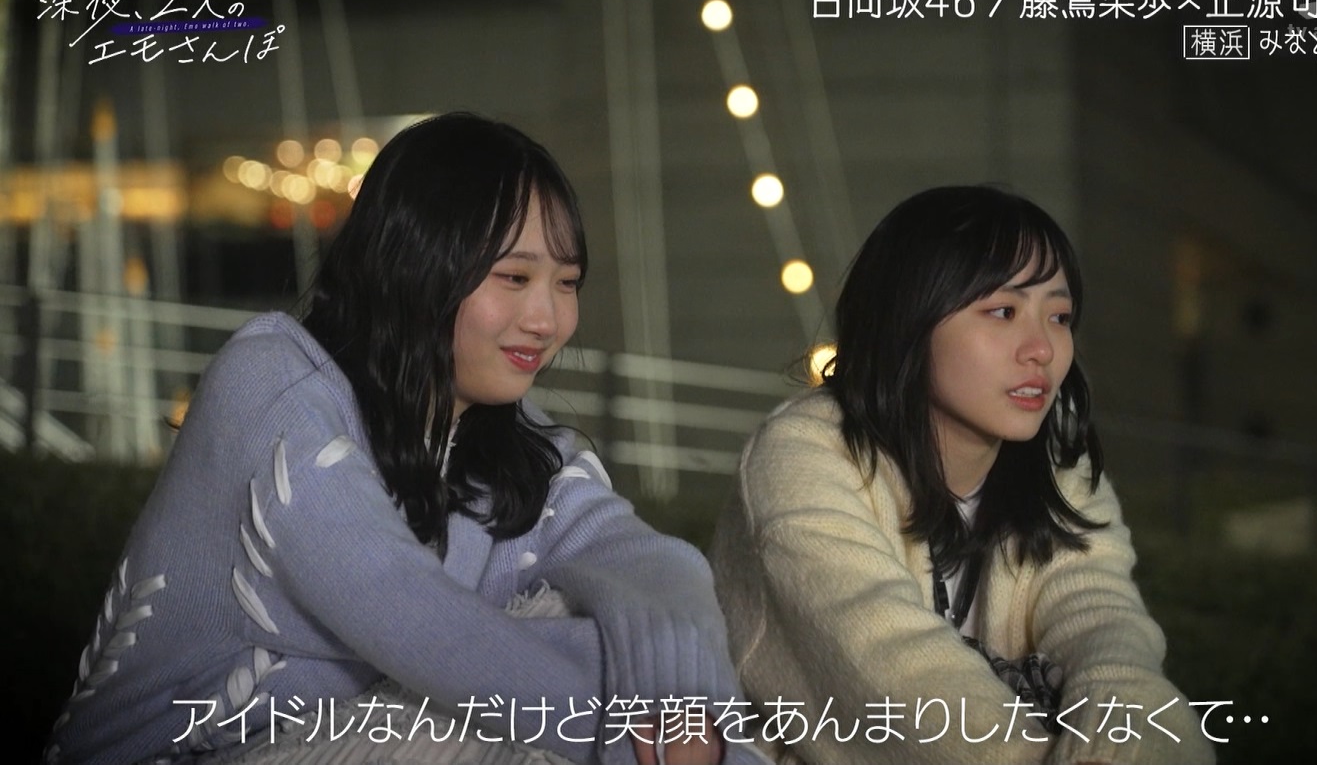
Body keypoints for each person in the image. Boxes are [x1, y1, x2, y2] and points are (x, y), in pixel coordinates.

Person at [47, 113, 763, 765]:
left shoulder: (514, 446)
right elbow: (417, 621)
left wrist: (682, 710)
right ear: (417, 263)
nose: (547, 320)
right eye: (514, 277)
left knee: (604, 618)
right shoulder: (273, 382)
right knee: (518, 705)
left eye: (567, 283)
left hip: (360, 738)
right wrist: (635, 731)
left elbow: (650, 563)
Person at [709, 186, 1215, 765]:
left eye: (1059, 316)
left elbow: (1105, 627)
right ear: (909, 318)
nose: (1042, 349)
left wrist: (1122, 744)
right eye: (1004, 312)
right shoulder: (804, 454)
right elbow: (890, 669)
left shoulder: (1059, 468)